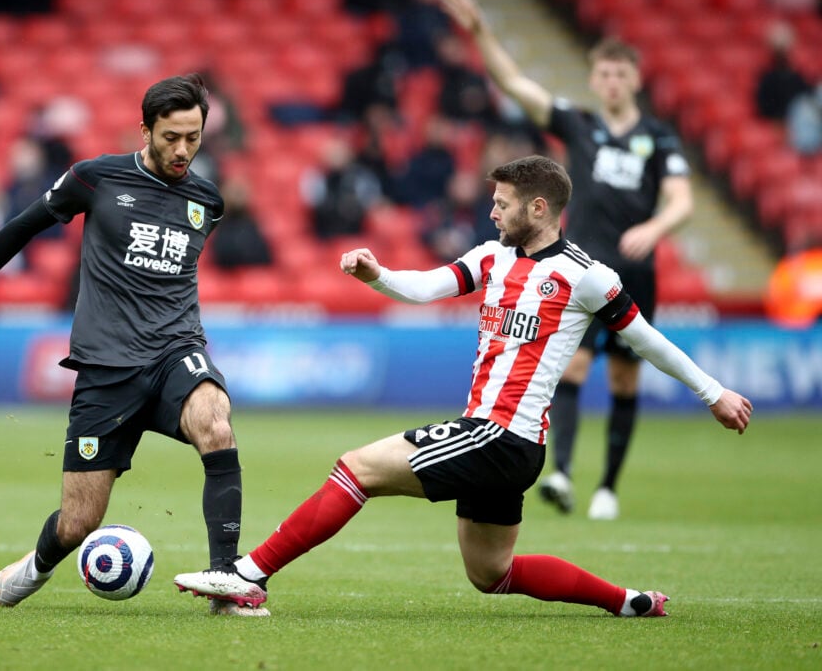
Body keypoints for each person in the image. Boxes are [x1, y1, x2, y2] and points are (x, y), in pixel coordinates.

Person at [173, 155, 752, 617]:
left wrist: (713, 393)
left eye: (502, 204)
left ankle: (247, 576)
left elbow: (647, 339)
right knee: (491, 574)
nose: (493, 213)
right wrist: (380, 276)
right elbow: (428, 288)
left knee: (356, 469)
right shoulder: (494, 257)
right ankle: (627, 602)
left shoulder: (586, 277)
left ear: (540, 207)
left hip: (501, 434)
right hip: (508, 446)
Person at [0, 74, 264, 617]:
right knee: (79, 521)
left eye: (193, 138)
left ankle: (225, 580)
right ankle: (34, 568)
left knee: (215, 422)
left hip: (175, 349)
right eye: (171, 136)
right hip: (107, 368)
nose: (183, 150)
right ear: (145, 129)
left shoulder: (207, 200)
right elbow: (22, 226)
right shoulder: (95, 178)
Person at [439, 0, 695, 520]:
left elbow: (683, 201)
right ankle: (561, 472)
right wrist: (482, 31)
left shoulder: (660, 138)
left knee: (625, 378)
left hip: (636, 274)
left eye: (621, 74)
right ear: (594, 78)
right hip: (581, 273)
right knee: (573, 370)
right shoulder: (581, 125)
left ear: (636, 80)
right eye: (604, 74)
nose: (612, 82)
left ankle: (607, 486)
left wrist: (656, 225)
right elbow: (514, 83)